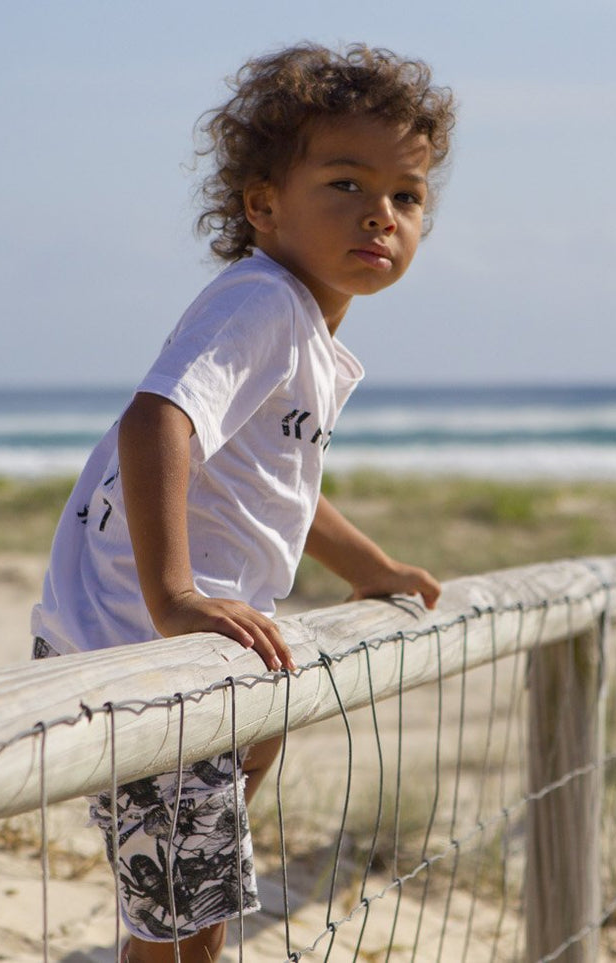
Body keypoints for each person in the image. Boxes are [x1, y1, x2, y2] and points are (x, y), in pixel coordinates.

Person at [30, 42, 454, 963]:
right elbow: (155, 422)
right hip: (137, 645)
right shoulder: (260, 303)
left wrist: (370, 567)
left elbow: (276, 481)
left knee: (201, 868)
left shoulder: (302, 327)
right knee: (185, 924)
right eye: (345, 183)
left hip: (169, 640)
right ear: (262, 204)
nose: (381, 214)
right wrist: (174, 597)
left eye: (407, 195)